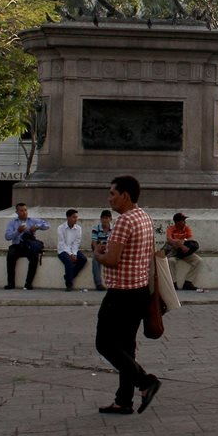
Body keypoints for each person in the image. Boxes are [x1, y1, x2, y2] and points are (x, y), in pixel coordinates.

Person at [92, 175, 161, 415]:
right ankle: (123, 400)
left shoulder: (123, 221)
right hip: (139, 291)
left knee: (104, 344)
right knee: (126, 347)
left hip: (121, 294)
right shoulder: (144, 217)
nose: (109, 198)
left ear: (125, 195)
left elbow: (112, 260)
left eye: (112, 193)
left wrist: (97, 254)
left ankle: (145, 381)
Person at [4, 202, 50, 290]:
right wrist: (18, 231)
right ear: (17, 212)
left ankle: (28, 283)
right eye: (21, 211)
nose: (24, 212)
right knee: (10, 255)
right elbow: (7, 237)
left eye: (25, 210)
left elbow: (47, 225)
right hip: (17, 245)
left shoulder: (32, 220)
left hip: (29, 246)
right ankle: (10, 283)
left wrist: (36, 226)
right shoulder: (12, 222)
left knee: (34, 257)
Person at [164, 213, 204, 292]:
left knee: (198, 261)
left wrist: (178, 242)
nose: (185, 222)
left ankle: (188, 282)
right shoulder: (170, 229)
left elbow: (189, 240)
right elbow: (169, 240)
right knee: (170, 261)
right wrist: (181, 244)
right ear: (177, 222)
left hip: (185, 252)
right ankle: (173, 283)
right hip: (174, 252)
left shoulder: (187, 228)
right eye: (183, 220)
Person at [57, 209, 88, 291]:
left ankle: (69, 276)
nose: (76, 219)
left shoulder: (78, 228)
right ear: (68, 217)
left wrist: (74, 253)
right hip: (62, 250)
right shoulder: (60, 228)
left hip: (74, 249)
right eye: (74, 217)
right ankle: (69, 284)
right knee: (68, 261)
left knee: (83, 259)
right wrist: (70, 254)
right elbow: (62, 243)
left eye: (76, 217)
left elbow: (76, 243)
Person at [90, 210, 112, 291]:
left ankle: (113, 283)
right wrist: (98, 250)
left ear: (110, 219)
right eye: (103, 218)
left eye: (106, 218)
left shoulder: (114, 229)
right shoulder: (96, 228)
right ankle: (98, 284)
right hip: (98, 250)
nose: (104, 220)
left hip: (109, 250)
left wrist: (107, 248)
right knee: (95, 260)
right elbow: (94, 242)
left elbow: (114, 243)